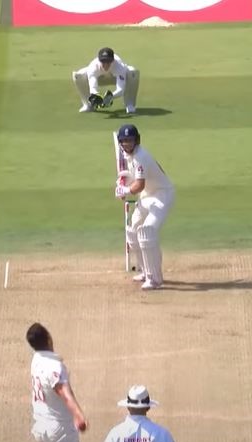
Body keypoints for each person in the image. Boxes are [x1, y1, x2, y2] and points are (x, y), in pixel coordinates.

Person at [113, 124, 175, 290]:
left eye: (130, 140)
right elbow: (133, 177)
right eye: (124, 141)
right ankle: (145, 270)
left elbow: (139, 185)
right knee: (133, 231)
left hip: (162, 195)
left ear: (137, 140)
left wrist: (126, 190)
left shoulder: (141, 157)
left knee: (146, 232)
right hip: (147, 195)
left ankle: (155, 279)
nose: (127, 143)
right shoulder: (127, 156)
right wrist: (122, 183)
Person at [72, 47, 140, 114]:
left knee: (132, 72)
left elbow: (121, 90)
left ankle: (130, 105)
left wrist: (109, 97)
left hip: (114, 79)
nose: (106, 65)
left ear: (113, 60)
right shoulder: (93, 66)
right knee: (78, 75)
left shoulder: (120, 66)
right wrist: (96, 96)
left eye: (108, 62)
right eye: (103, 62)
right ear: (99, 60)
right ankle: (88, 105)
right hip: (100, 79)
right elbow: (93, 88)